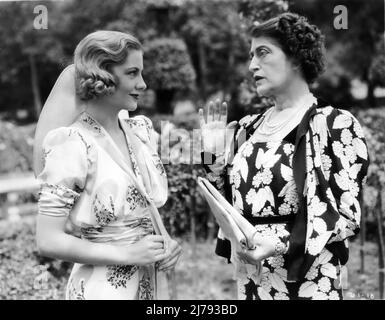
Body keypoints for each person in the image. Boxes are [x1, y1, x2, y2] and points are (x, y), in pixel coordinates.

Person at [199, 12, 369, 300]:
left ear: (296, 57)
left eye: (263, 53)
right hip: (252, 281)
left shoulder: (335, 125)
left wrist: (277, 244)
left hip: (309, 283)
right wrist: (213, 160)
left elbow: (346, 218)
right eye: (251, 55)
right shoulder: (247, 128)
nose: (252, 65)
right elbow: (227, 207)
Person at [34, 30, 182, 300]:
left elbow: (140, 212)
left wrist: (165, 244)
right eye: (132, 73)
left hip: (150, 285)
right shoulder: (73, 143)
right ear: (103, 75)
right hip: (101, 290)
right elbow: (47, 239)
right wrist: (126, 254)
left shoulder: (140, 132)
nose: (143, 84)